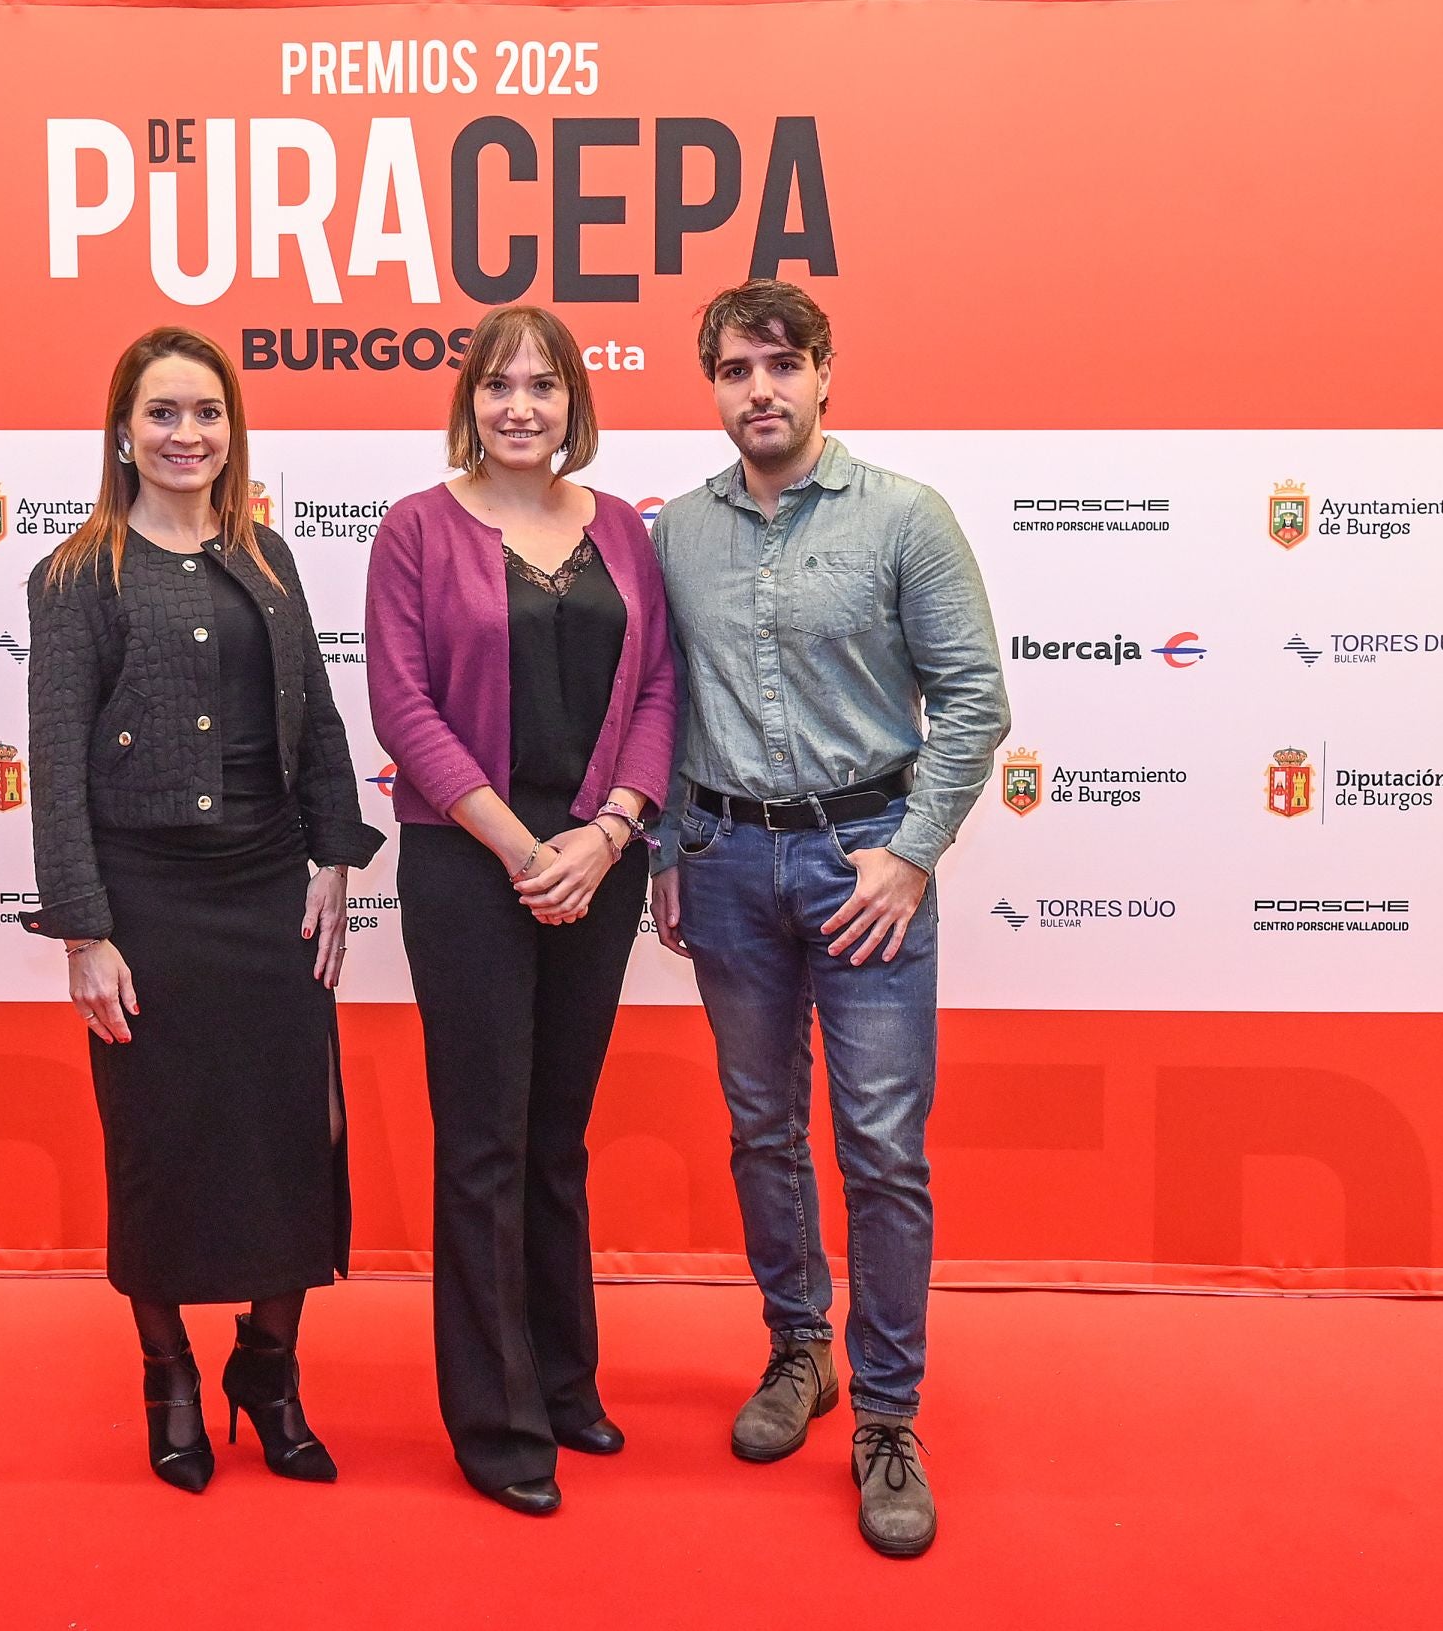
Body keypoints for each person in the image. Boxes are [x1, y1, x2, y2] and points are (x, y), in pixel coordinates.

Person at [647, 280, 1009, 1556]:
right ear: (712, 385)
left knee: (881, 1144)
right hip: (727, 861)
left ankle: (890, 1416)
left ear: (825, 373)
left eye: (782, 364)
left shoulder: (908, 518)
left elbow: (974, 700)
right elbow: (658, 701)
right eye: (736, 369)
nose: (761, 389)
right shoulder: (675, 532)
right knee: (760, 1127)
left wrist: (910, 857)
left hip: (868, 869)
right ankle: (798, 1349)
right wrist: (663, 850)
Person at [21, 326, 384, 1494]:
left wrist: (336, 856)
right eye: (163, 413)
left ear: (235, 430)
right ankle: (169, 1372)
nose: (187, 435)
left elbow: (319, 723)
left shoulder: (269, 556)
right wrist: (85, 929)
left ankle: (267, 1370)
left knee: (291, 1138)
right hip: (149, 899)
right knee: (162, 1144)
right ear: (123, 431)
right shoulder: (78, 574)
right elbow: (54, 758)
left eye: (207, 414)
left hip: (269, 891)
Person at [365, 306, 676, 1516]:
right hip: (469, 863)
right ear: (470, 401)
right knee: (485, 1143)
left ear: (573, 404)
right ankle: (495, 1419)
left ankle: (562, 1375)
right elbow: (403, 708)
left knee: (557, 1137)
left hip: (597, 865)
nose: (520, 407)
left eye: (543, 385)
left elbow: (658, 686)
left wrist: (605, 836)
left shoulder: (624, 536)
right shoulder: (414, 530)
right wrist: (517, 845)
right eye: (498, 385)